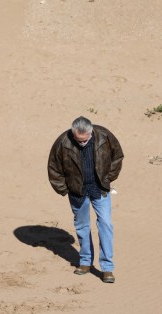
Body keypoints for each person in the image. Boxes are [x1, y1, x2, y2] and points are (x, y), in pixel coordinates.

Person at [47, 116, 124, 283]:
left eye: (85, 140)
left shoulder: (104, 136)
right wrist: (65, 189)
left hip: (100, 189)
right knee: (82, 226)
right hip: (77, 191)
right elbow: (54, 168)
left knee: (105, 224)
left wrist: (108, 178)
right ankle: (85, 262)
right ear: (73, 133)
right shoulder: (63, 142)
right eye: (78, 140)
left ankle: (107, 268)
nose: (82, 143)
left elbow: (117, 157)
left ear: (91, 133)